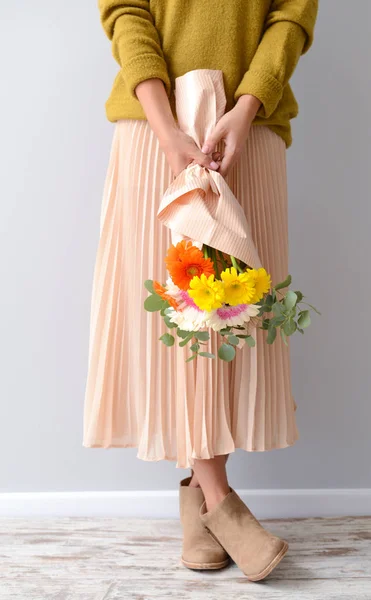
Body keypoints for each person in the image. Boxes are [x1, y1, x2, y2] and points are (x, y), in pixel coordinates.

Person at [84, 0, 318, 582]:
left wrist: (247, 105)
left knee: (229, 314)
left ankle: (200, 502)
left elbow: (291, 16)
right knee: (182, 318)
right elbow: (126, 12)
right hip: (154, 126)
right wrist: (167, 131)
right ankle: (219, 501)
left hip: (247, 129)